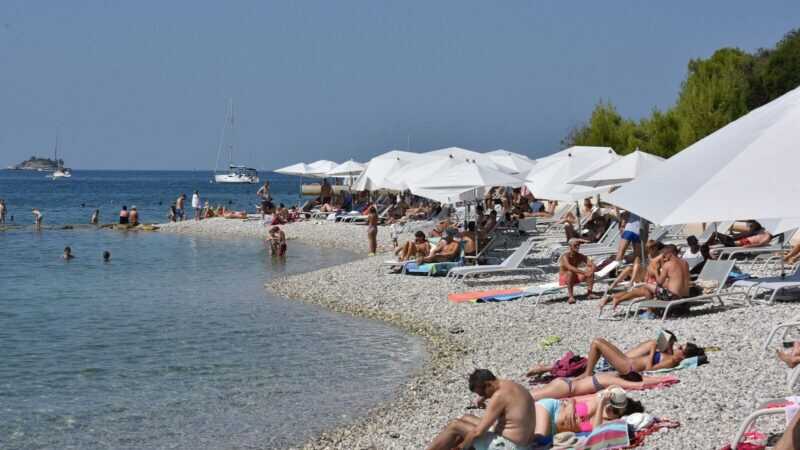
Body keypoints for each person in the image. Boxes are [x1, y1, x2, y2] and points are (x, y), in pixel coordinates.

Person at [427, 369, 537, 450]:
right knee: (467, 418)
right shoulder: (510, 385)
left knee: (455, 425)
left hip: (510, 446)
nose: (484, 396)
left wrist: (461, 447)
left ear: (488, 384)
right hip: (525, 443)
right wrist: (484, 397)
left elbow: (477, 432)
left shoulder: (499, 396)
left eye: (482, 393)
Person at [603, 245, 690, 318]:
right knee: (648, 288)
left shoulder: (668, 265)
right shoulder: (685, 262)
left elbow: (659, 282)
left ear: (669, 254)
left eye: (664, 256)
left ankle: (649, 312)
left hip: (672, 297)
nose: (663, 258)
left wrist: (655, 271)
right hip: (685, 297)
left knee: (646, 286)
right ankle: (617, 298)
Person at [577, 336, 704, 380]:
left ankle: (588, 373)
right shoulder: (669, 355)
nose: (678, 346)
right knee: (599, 340)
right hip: (627, 361)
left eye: (680, 348)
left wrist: (653, 351)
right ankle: (588, 371)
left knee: (597, 343)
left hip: (628, 368)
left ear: (683, 356)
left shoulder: (671, 361)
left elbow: (650, 369)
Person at [534, 388, 643, 437]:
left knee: (532, 441)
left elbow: (596, 432)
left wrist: (601, 404)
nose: (610, 407)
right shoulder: (596, 400)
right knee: (539, 436)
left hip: (553, 430)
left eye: (615, 410)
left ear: (618, 417)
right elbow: (572, 399)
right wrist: (571, 405)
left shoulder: (604, 422)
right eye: (611, 403)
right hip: (552, 409)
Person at [598, 240, 663, 310]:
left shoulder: (660, 257)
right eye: (647, 249)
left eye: (650, 249)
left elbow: (659, 271)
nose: (648, 251)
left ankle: (611, 297)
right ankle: (614, 287)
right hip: (647, 277)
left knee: (634, 292)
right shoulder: (650, 255)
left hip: (653, 280)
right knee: (631, 267)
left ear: (655, 248)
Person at [558, 239, 596, 304]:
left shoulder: (579, 255)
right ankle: (571, 297)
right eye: (575, 245)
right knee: (570, 272)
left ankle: (590, 293)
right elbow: (569, 267)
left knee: (589, 270)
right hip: (565, 278)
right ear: (570, 246)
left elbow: (591, 263)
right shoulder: (565, 256)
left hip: (575, 277)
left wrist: (591, 269)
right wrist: (584, 273)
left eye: (578, 245)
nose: (577, 247)